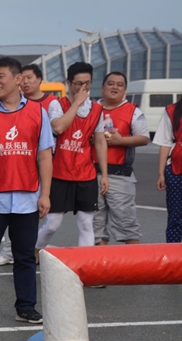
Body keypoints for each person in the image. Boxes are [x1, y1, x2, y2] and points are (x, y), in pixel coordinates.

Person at [0, 57, 54, 326]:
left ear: (18, 79)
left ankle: (26, 307)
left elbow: (45, 156)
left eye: (0, 76)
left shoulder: (38, 113)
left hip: (28, 198)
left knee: (26, 257)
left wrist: (45, 194)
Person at [36, 62, 108, 253]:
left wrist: (105, 175)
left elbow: (100, 142)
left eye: (87, 83)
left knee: (86, 223)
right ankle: (33, 252)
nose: (83, 88)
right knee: (52, 223)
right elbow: (58, 127)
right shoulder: (57, 104)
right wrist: (77, 102)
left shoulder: (97, 110)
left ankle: (86, 266)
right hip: (59, 173)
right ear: (68, 82)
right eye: (78, 83)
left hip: (86, 174)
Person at [0, 63, 55, 266]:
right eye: (25, 77)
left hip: (35, 171)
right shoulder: (3, 106)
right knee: (7, 213)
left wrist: (45, 192)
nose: (27, 81)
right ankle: (8, 251)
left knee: (36, 219)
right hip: (7, 172)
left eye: (31, 78)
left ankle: (32, 251)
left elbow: (46, 150)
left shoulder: (47, 106)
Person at [93, 72, 150, 246]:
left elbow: (144, 138)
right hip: (90, 173)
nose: (114, 87)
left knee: (126, 222)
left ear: (125, 89)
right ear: (102, 87)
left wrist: (121, 141)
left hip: (120, 174)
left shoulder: (133, 111)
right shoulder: (91, 109)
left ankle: (136, 267)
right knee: (96, 224)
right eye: (110, 84)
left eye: (119, 84)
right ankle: (101, 267)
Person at [154, 98, 182, 243]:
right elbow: (165, 143)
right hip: (176, 171)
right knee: (175, 218)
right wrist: (161, 173)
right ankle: (175, 259)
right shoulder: (172, 110)